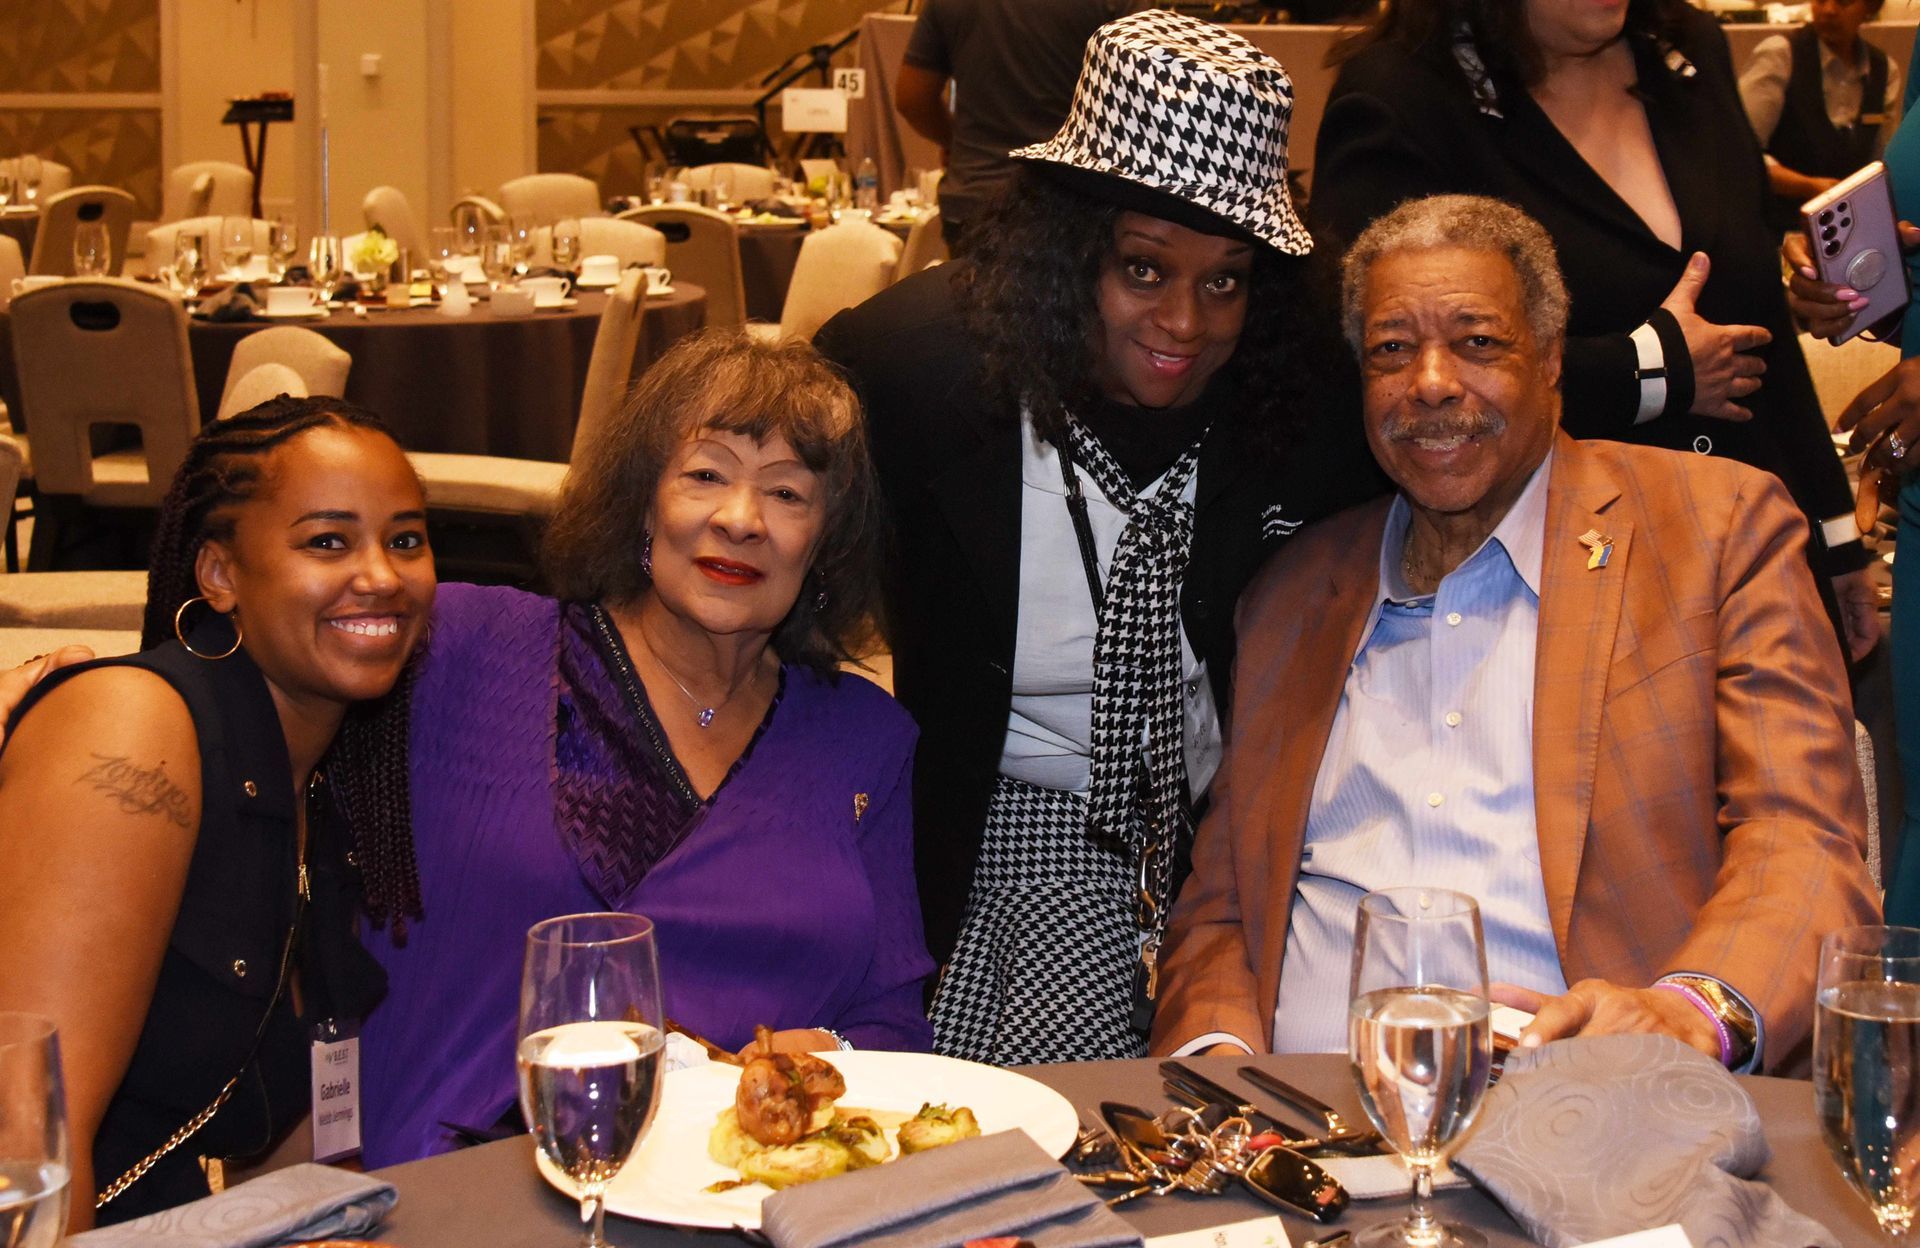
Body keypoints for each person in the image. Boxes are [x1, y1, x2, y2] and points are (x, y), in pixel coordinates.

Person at [1150, 195, 1880, 1072]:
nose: (1429, 381)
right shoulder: (1294, 594)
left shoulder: (1714, 530)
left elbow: (1800, 837)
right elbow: (1224, 905)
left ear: (1552, 361)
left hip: (1600, 1111)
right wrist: (1222, 1061)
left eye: (1477, 342)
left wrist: (1692, 1014)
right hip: (1307, 1132)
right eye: (1391, 349)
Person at [816, 10, 1384, 1065]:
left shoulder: (1298, 406)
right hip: (1004, 814)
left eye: (1226, 279)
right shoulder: (905, 378)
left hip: (1228, 837)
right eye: (1145, 270)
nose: (1185, 323)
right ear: (1070, 252)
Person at [356, 330, 932, 1167]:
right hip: (464, 1188)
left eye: (787, 493)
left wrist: (832, 1054)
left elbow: (893, 1023)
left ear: (825, 543)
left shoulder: (862, 737)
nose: (741, 520)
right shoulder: (462, 649)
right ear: (641, 502)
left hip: (730, 1196)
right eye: (705, 475)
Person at [1311, 0, 1882, 664]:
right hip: (1546, 589)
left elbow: (1758, 330)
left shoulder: (1685, 49)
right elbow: (1378, 371)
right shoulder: (1402, 97)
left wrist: (1836, 534)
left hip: (1754, 558)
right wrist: (1646, 370)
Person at [0, 398, 434, 1226]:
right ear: (219, 575)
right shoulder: (135, 729)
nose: (381, 574)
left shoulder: (316, 779)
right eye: (327, 541)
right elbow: (25, 1150)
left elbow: (287, 1133)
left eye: (405, 539)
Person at [894, 0, 1146, 253]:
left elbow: (912, 98)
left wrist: (952, 140)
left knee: (972, 292)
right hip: (1075, 203)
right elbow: (1146, 96)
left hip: (974, 198)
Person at [1739, 0, 1900, 230]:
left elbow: (1882, 162)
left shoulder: (1884, 70)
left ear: (1870, 7)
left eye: (1844, 2)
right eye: (1821, 0)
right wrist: (1809, 186)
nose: (1829, 10)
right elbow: (1742, 152)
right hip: (1780, 229)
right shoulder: (1781, 54)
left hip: (1847, 229)